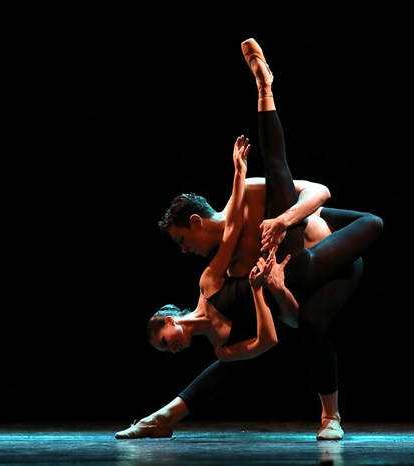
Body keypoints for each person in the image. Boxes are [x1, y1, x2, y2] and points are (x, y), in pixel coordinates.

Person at [116, 38, 383, 441]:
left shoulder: (221, 258)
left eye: (182, 240)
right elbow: (281, 326)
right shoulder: (221, 279)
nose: (184, 250)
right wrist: (268, 288)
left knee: (288, 200)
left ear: (194, 221)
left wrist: (278, 215)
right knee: (308, 321)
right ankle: (330, 417)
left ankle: (264, 87)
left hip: (332, 251)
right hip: (299, 281)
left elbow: (318, 193)